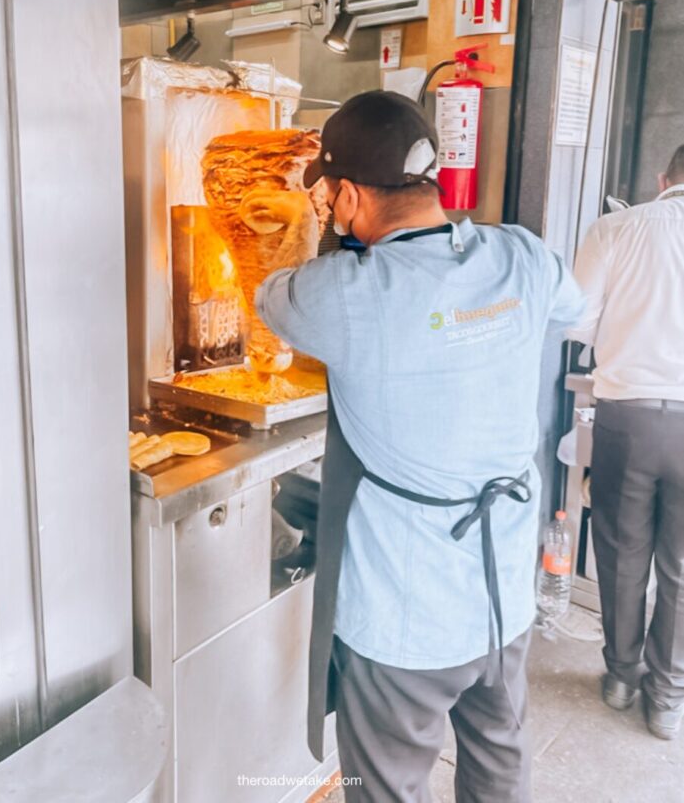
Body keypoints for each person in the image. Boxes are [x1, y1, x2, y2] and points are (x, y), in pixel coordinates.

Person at [250, 91, 584, 802]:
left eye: (329, 198)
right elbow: (570, 313)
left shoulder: (343, 292)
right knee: (498, 758)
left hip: (405, 615)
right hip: (501, 592)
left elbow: (268, 295)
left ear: (343, 195)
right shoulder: (520, 254)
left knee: (387, 784)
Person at [569, 144, 684, 740]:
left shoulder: (615, 227)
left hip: (628, 415)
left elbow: (575, 321)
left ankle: (621, 677)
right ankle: (667, 700)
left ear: (664, 179)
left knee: (620, 550)